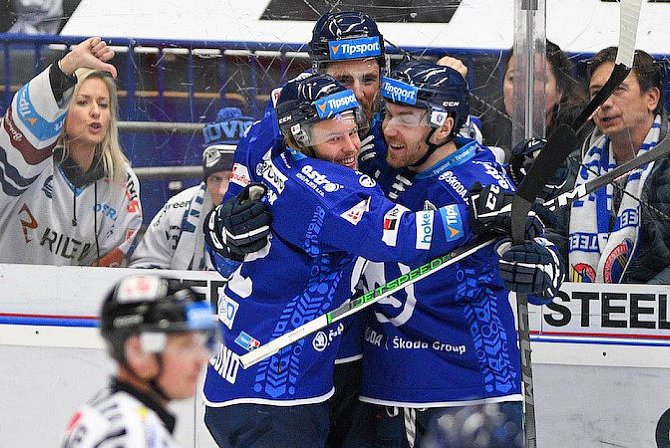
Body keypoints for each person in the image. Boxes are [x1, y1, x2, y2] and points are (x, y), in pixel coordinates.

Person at [201, 73, 530, 448]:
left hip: (239, 370)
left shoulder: (273, 152)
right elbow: (400, 236)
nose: (351, 146)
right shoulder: (323, 189)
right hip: (274, 386)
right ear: (300, 139)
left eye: (353, 131)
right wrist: (471, 214)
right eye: (334, 138)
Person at [0, 36, 143, 266]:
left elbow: (110, 261)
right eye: (83, 102)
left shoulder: (122, 181)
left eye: (103, 104)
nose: (95, 111)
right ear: (63, 112)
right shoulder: (31, 161)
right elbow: (25, 124)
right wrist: (70, 63)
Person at [59, 274, 216, 447]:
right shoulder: (130, 433)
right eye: (185, 346)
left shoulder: (104, 410)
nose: (203, 359)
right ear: (138, 352)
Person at [560, 47, 670, 284]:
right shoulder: (578, 161)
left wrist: (640, 300)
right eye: (597, 93)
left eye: (617, 89)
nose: (605, 103)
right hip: (586, 314)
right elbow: (556, 233)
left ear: (651, 98)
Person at [129, 107, 251, 272]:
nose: (223, 190)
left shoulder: (276, 211)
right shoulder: (176, 211)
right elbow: (141, 271)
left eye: (233, 179)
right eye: (215, 179)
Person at [478, 40, 589, 162]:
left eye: (539, 78)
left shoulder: (581, 137)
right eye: (515, 78)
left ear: (559, 92)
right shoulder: (483, 128)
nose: (525, 89)